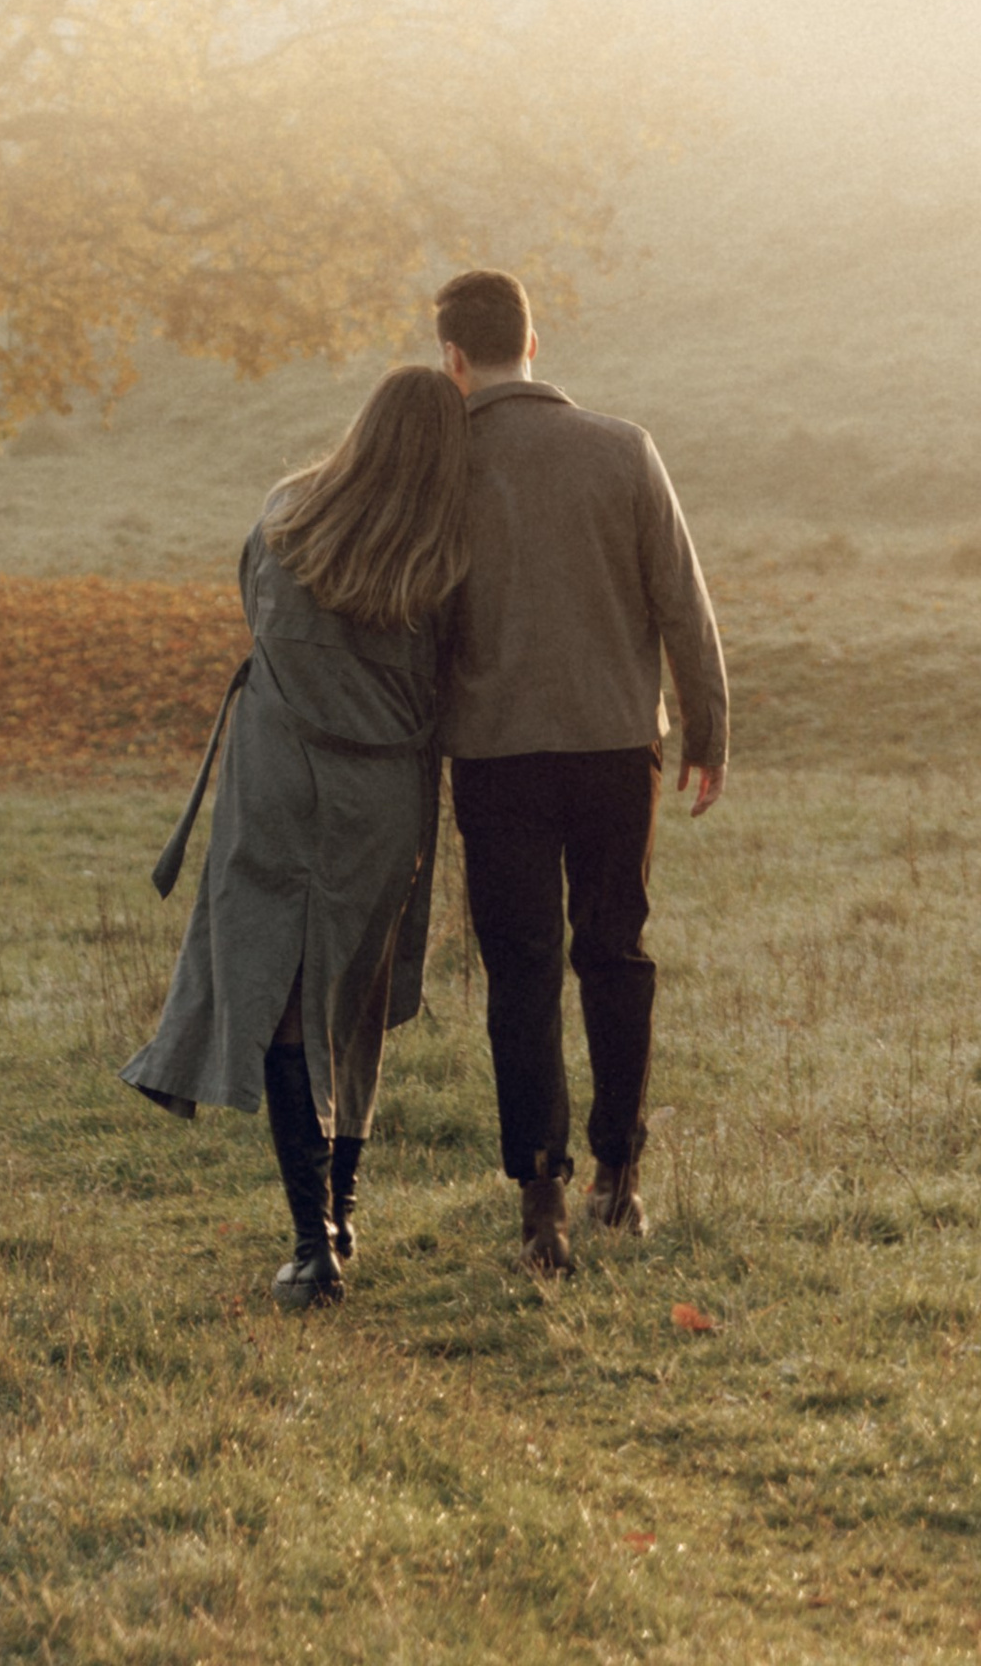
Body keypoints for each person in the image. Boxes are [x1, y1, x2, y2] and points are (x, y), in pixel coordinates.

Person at [122, 363, 469, 1309]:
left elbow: (257, 618)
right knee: (348, 997)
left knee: (281, 993)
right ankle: (341, 1211)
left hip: (276, 778)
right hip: (380, 796)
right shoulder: (444, 554)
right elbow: (454, 679)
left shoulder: (286, 516)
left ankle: (314, 1244)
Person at [437, 265, 728, 1279]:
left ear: (453, 359)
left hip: (496, 753)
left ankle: (540, 1207)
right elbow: (683, 605)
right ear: (534, 343)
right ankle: (621, 1180)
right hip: (616, 746)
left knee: (520, 974)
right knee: (615, 950)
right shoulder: (622, 448)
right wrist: (708, 732)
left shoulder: (442, 461)